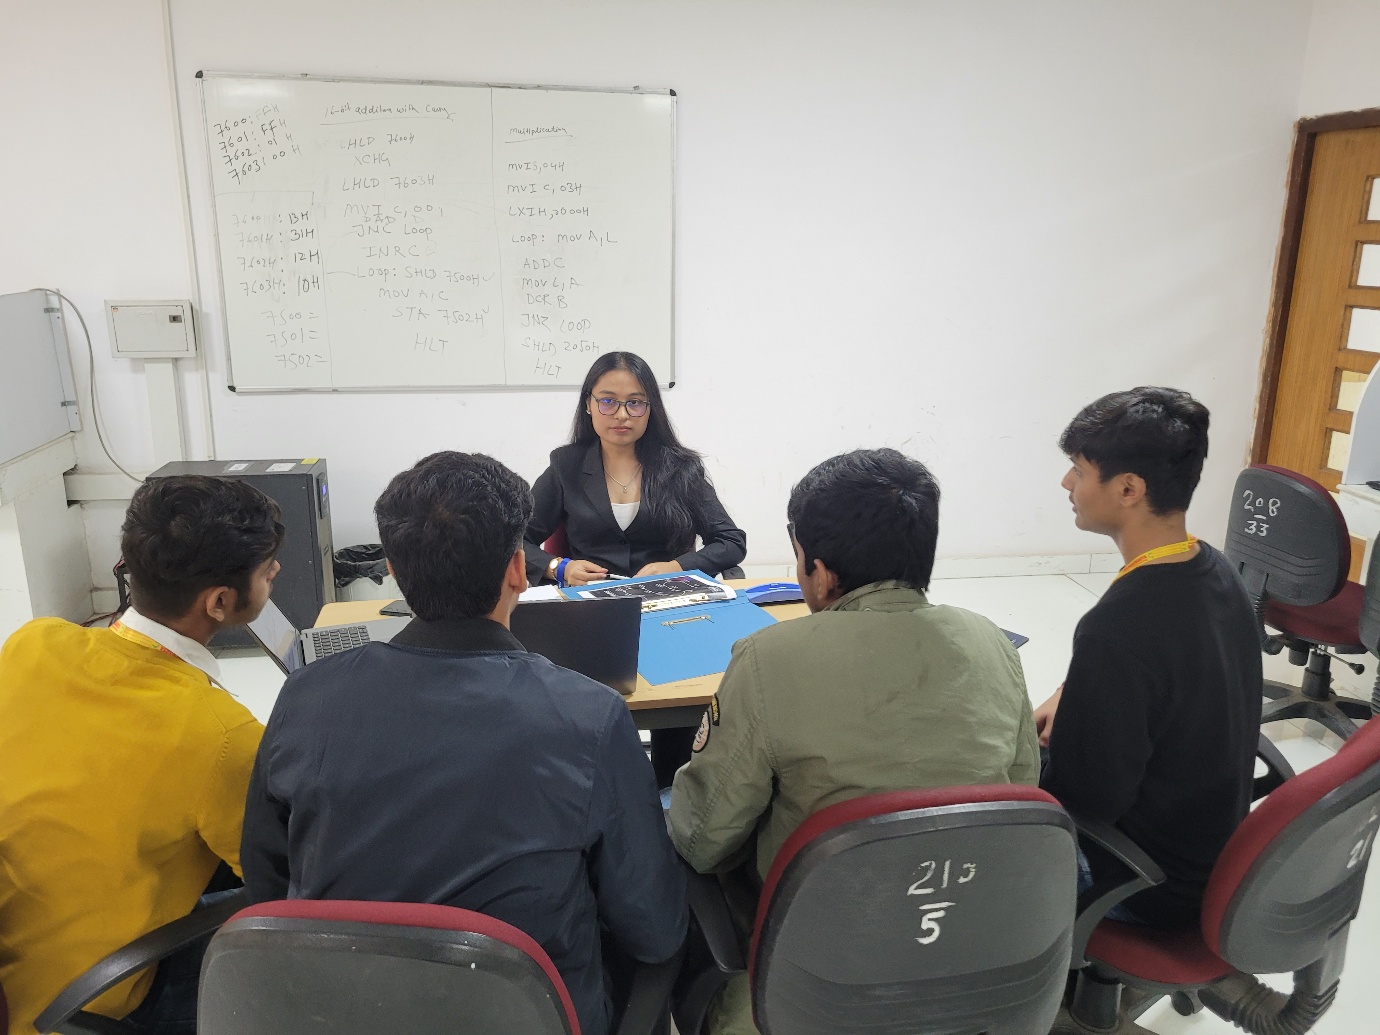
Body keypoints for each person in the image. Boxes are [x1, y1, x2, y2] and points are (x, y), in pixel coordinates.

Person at [241, 451, 686, 1035]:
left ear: (393, 572)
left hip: (344, 1012)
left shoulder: (305, 696)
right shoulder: (589, 716)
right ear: (518, 570)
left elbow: (268, 885)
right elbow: (653, 928)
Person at [668, 448, 1039, 1035]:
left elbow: (703, 840)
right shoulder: (990, 641)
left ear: (820, 572)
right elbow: (1018, 795)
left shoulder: (769, 658)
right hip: (965, 937)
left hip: (816, 960)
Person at [0, 476, 282, 1035]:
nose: (275, 575)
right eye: (268, 573)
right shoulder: (220, 734)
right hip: (86, 1005)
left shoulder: (33, 643)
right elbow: (283, 884)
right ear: (219, 602)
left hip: (19, 969)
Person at [1036, 387, 1261, 928]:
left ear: (1128, 489)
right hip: (1212, 851)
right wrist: (1075, 694)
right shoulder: (1216, 570)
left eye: (1079, 470)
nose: (1067, 483)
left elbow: (1085, 800)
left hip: (1144, 884)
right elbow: (1166, 670)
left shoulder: (1117, 625)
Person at [524, 350, 747, 785]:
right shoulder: (566, 466)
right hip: (594, 615)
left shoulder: (680, 468)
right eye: (608, 401)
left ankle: (671, 793)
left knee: (678, 720)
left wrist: (677, 565)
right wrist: (558, 566)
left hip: (671, 612)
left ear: (651, 409)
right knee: (595, 724)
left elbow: (730, 541)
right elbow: (517, 537)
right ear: (589, 404)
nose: (621, 414)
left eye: (635, 403)